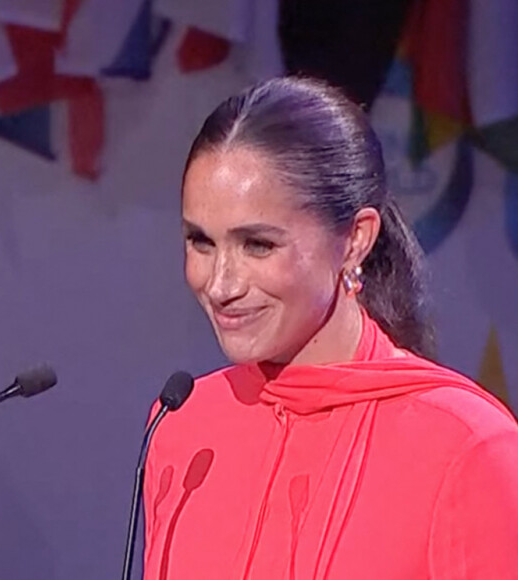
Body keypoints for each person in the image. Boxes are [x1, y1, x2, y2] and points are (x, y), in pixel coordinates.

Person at [142, 77, 518, 580]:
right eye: (201, 242)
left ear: (355, 240)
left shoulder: (469, 446)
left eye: (257, 244)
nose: (220, 284)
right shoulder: (183, 426)